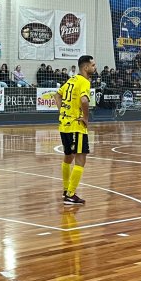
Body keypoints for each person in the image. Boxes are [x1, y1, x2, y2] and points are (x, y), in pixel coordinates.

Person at [54, 55, 96, 205]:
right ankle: (70, 194)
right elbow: (84, 100)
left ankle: (66, 190)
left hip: (64, 124)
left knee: (68, 157)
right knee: (80, 158)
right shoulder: (84, 81)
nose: (95, 67)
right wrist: (86, 118)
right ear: (85, 67)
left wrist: (62, 112)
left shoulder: (71, 80)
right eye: (93, 65)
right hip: (76, 126)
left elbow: (57, 95)